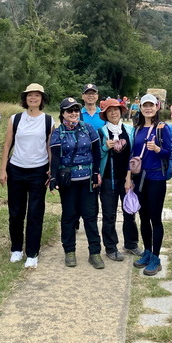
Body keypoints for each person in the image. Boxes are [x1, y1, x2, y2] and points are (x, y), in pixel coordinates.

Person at [0, 84, 54, 269]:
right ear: (25, 98)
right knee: (15, 212)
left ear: (42, 99)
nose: (33, 98)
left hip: (39, 170)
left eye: (37, 95)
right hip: (16, 169)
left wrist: (51, 170)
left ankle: (32, 253)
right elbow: (7, 145)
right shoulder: (15, 119)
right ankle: (16, 249)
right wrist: (2, 169)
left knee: (35, 213)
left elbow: (49, 147)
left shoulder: (48, 120)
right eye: (30, 95)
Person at [49, 97, 104, 269]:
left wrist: (96, 173)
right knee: (69, 216)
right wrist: (53, 178)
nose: (73, 113)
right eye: (69, 110)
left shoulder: (87, 128)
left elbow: (96, 152)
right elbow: (56, 157)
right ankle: (69, 251)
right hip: (69, 182)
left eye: (76, 110)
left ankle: (94, 252)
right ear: (63, 113)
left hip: (87, 180)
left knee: (90, 216)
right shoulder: (58, 132)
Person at [125, 93, 172, 276]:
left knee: (155, 218)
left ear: (157, 107)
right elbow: (132, 155)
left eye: (151, 105)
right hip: (139, 178)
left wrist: (158, 149)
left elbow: (169, 153)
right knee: (143, 217)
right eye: (145, 105)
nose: (148, 108)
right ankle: (147, 251)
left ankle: (156, 257)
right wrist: (128, 178)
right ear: (141, 107)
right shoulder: (137, 129)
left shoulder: (162, 128)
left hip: (156, 179)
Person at [98, 99, 140, 260]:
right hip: (108, 179)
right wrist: (104, 148)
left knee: (129, 211)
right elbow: (96, 156)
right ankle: (110, 247)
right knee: (109, 214)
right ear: (106, 114)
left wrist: (129, 177)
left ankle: (131, 243)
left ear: (121, 111)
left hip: (126, 179)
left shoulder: (129, 130)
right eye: (110, 111)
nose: (114, 113)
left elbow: (132, 154)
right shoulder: (101, 132)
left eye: (116, 110)